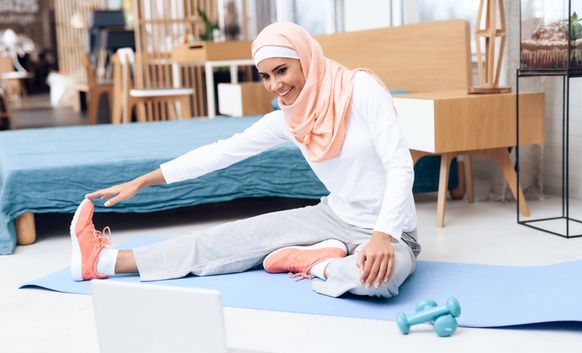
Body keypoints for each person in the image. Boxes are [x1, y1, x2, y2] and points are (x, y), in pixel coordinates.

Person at [70, 21, 420, 298]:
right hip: (334, 217)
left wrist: (380, 235)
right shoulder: (289, 117)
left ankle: (317, 263)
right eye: (266, 76)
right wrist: (144, 179)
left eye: (282, 70)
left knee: (376, 281)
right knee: (228, 239)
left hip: (393, 231)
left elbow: (399, 165)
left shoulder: (360, 89)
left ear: (305, 58)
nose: (275, 85)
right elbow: (221, 152)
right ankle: (103, 261)